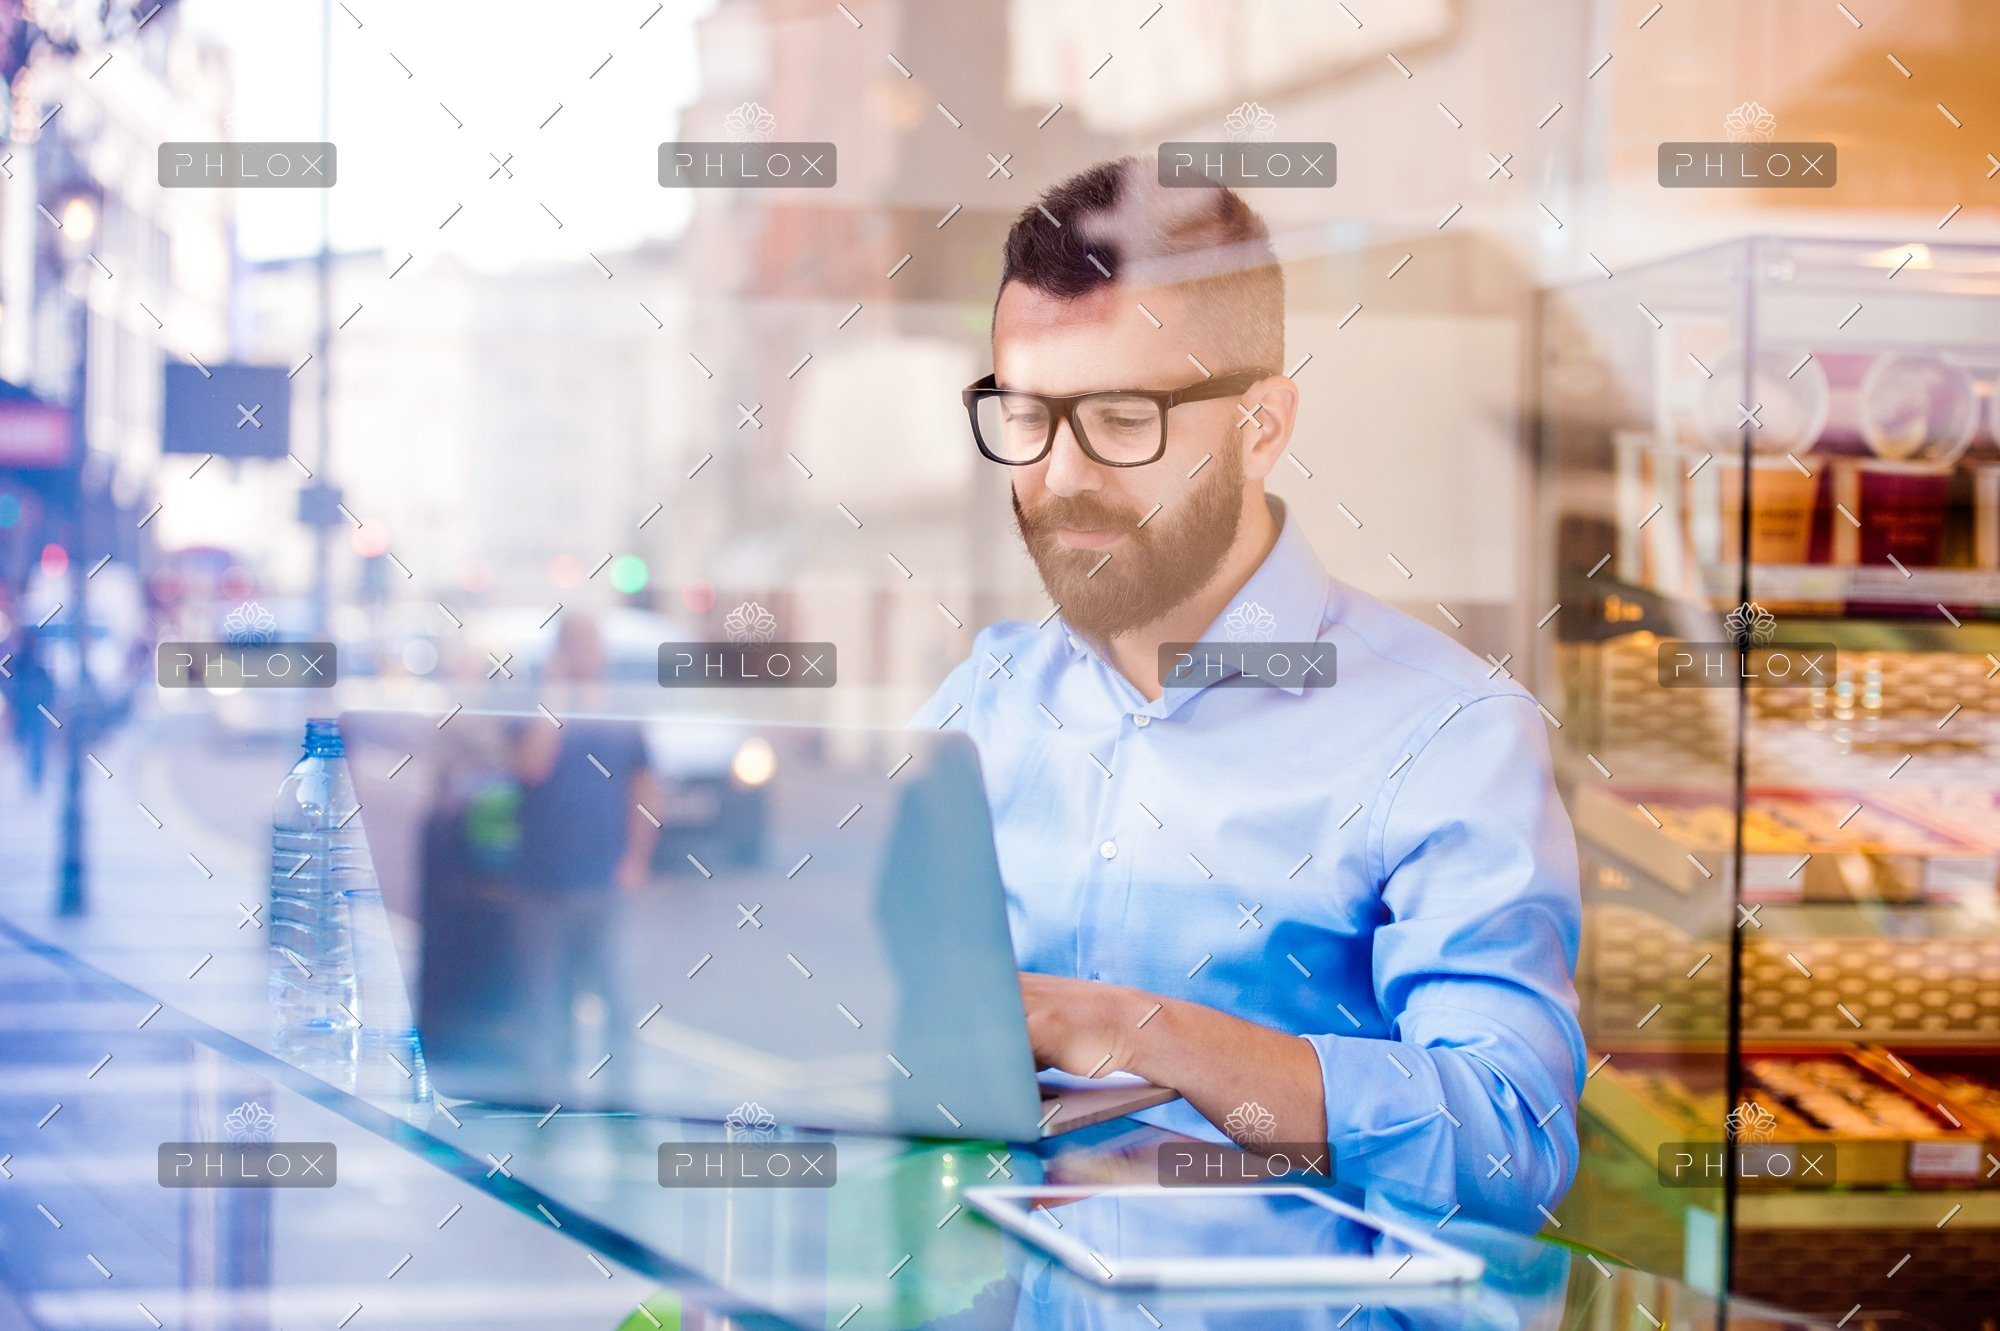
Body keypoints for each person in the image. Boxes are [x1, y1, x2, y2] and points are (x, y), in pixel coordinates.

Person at [913, 158, 1585, 1228]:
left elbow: (1511, 1138)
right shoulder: (985, 703)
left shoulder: (1447, 734)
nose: (1061, 475)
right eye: (1028, 415)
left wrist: (1151, 1036)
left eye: (1122, 418)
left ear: (1260, 427)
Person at [505, 613, 662, 1097]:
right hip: (542, 881)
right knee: (546, 1002)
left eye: (592, 645)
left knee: (618, 997)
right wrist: (554, 695)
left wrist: (636, 858)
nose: (588, 656)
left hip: (605, 880)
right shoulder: (535, 709)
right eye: (576, 646)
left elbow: (645, 786)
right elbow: (531, 767)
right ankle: (547, 1098)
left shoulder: (619, 712)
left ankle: (622, 1097)